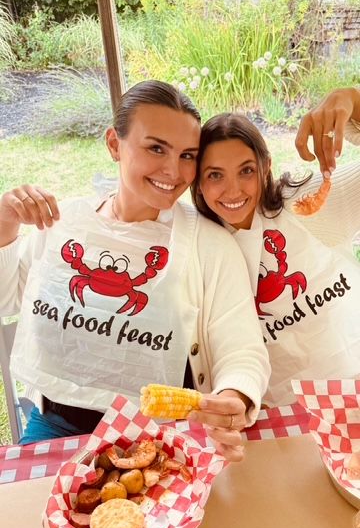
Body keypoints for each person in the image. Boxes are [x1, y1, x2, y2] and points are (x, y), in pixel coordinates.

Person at [0, 80, 270, 459]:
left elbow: (242, 350)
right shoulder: (65, 224)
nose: (173, 170)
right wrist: (5, 225)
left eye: (187, 155)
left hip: (165, 438)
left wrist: (234, 394)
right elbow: (5, 299)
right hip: (58, 426)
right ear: (114, 144)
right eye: (156, 148)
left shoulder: (208, 244)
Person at [191, 88, 360, 407]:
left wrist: (353, 100)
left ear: (266, 166)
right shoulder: (195, 242)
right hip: (275, 414)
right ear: (197, 181)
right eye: (215, 175)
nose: (233, 190)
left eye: (246, 171)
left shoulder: (310, 204)